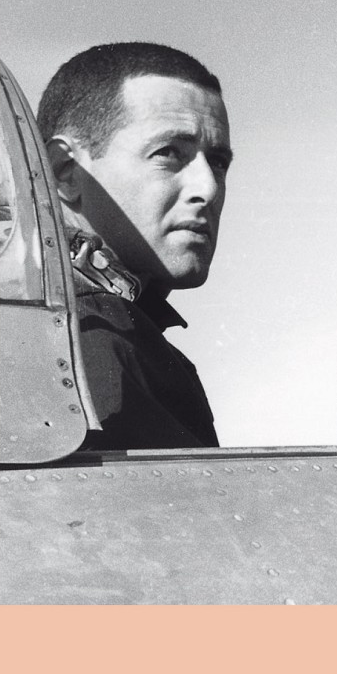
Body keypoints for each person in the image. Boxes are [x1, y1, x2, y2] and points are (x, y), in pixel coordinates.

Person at [37, 42, 232, 450]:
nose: (208, 188)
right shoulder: (86, 337)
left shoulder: (54, 317)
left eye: (217, 161)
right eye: (168, 153)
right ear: (66, 171)